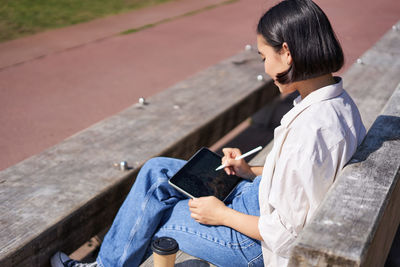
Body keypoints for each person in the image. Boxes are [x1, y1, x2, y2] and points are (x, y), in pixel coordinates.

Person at [51, 0, 366, 266]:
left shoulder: (313, 131)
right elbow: (303, 181)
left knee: (157, 213)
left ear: (286, 52)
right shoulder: (336, 102)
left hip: (257, 245)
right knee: (158, 171)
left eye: (264, 57)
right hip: (259, 201)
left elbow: (287, 234)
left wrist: (223, 215)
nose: (265, 69)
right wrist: (248, 170)